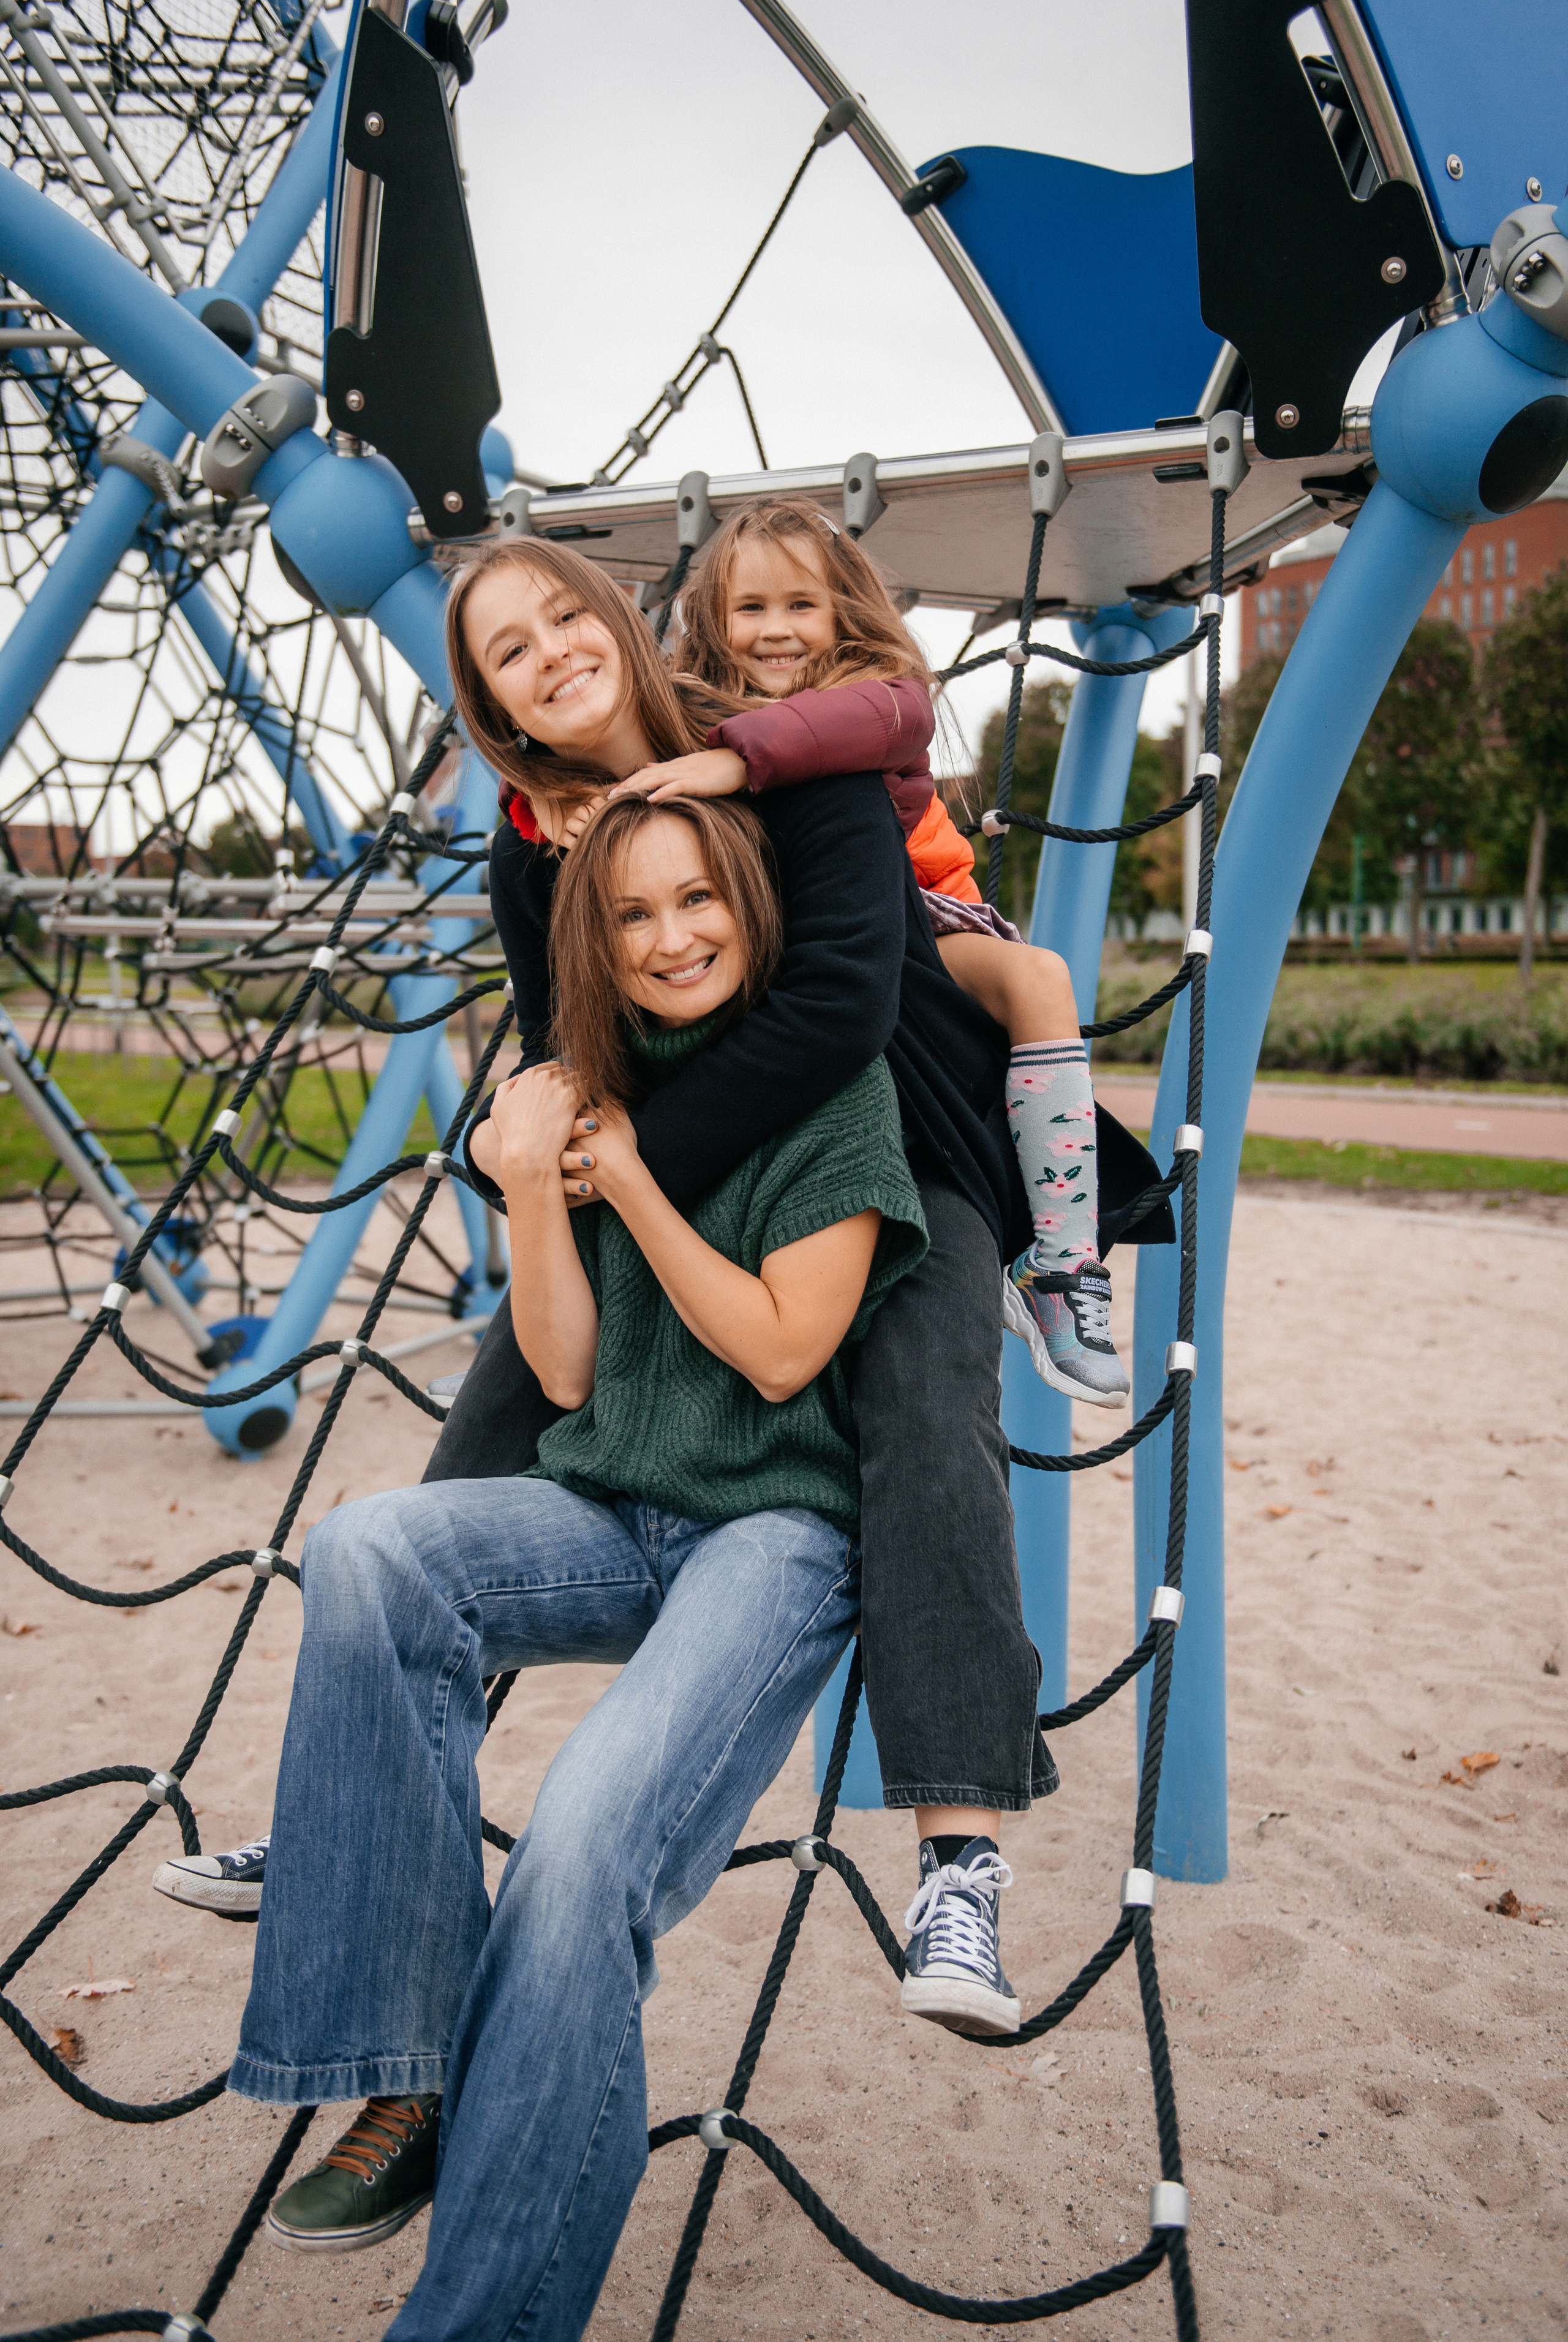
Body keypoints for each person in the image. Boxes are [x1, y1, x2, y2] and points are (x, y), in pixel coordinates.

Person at [160, 533, 1170, 2033]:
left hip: (895, 1127)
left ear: (613, 618)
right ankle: (349, 1803)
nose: (552, 652)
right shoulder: (532, 841)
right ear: (493, 704)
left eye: (563, 614)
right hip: (680, 1146)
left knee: (924, 1398)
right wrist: (544, 1152)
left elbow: (839, 1007)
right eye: (510, 651)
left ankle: (959, 1859)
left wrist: (628, 1163)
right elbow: (556, 1029)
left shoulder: (774, 749)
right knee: (508, 1384)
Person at [232, 789, 927, 2338]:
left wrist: (625, 1185)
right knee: (365, 1553)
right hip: (613, 1506)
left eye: (700, 903)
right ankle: (406, 2080)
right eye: (633, 915)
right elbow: (557, 1376)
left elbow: (775, 1351)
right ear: (592, 946)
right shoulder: (587, 1083)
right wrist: (529, 1187)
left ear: (749, 908)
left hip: (774, 1531)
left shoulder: (832, 1089)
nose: (673, 937)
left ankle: (482, 2317)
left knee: (580, 1841)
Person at [656, 494, 1132, 1407]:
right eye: (750, 609)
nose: (776, 630)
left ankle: (1062, 1266)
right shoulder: (691, 709)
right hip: (801, 942)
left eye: (801, 604)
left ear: (840, 609)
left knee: (1040, 975)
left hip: (924, 922)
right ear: (714, 621)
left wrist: (737, 757)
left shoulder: (880, 697)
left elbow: (869, 725)